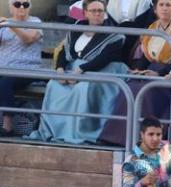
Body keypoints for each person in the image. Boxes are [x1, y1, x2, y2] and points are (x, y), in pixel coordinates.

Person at [28, 0, 128, 144]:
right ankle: (54, 131)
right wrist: (60, 69)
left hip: (98, 72)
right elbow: (64, 51)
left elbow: (104, 59)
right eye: (93, 11)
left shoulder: (113, 34)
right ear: (85, 13)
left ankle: (78, 132)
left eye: (100, 11)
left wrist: (81, 70)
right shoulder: (77, 28)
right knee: (53, 85)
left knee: (82, 88)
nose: (97, 14)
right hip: (72, 70)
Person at [100, 0, 171, 146]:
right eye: (161, 5)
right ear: (155, 10)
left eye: (168, 5)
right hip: (150, 71)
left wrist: (160, 74)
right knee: (130, 86)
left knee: (143, 90)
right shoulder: (151, 28)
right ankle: (117, 136)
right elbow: (145, 55)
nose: (164, 9)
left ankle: (142, 139)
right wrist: (139, 70)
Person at [0, 0, 43, 137]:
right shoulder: (5, 23)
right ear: (11, 8)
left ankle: (7, 126)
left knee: (5, 82)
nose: (22, 7)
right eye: (17, 4)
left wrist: (11, 26)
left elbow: (28, 39)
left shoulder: (35, 22)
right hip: (3, 68)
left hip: (27, 69)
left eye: (26, 4)